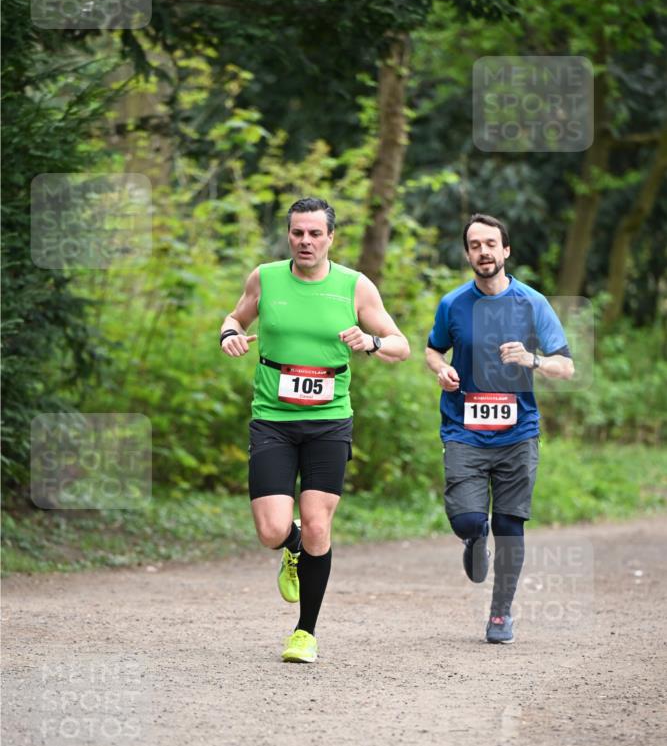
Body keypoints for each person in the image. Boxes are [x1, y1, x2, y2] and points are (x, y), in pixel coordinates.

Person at [220, 197, 410, 663]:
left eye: (315, 234)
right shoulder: (265, 278)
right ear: (289, 235)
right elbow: (235, 317)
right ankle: (292, 547)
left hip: (329, 422)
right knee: (271, 530)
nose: (305, 241)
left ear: (330, 238)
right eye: (298, 233)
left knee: (319, 526)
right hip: (273, 418)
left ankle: (305, 632)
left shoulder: (354, 286)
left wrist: (370, 341)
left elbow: (401, 345)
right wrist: (230, 335)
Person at [425, 213, 574, 644]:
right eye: (475, 245)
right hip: (464, 429)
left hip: (517, 432)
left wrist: (532, 359)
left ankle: (500, 614)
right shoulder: (453, 304)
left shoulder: (533, 303)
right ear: (468, 254)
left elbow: (566, 366)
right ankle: (474, 540)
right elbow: (433, 350)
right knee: (469, 519)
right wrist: (442, 370)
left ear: (505, 250)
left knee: (509, 525)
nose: (483, 252)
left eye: (491, 244)